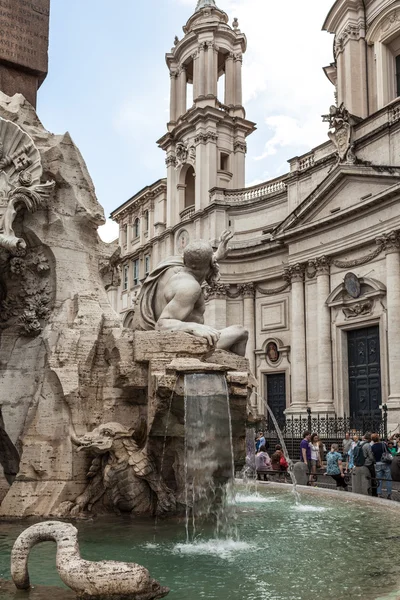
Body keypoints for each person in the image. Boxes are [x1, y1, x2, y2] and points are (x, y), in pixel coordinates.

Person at [132, 231, 248, 355]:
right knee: (241, 332)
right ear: (208, 265)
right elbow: (162, 324)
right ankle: (236, 370)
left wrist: (216, 256)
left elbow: (196, 262)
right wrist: (195, 327)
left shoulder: (170, 266)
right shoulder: (190, 287)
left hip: (181, 334)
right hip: (189, 341)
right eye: (212, 262)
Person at [355, 432, 377, 497]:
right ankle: (374, 493)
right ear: (370, 438)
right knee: (373, 477)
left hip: (360, 463)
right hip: (368, 463)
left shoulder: (359, 443)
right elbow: (370, 456)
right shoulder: (367, 445)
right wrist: (374, 460)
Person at [371, 433, 393, 499]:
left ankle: (379, 494)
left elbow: (372, 456)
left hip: (377, 463)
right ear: (378, 438)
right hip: (385, 462)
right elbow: (389, 452)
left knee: (379, 479)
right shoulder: (383, 444)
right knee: (388, 479)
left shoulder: (372, 447)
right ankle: (389, 494)